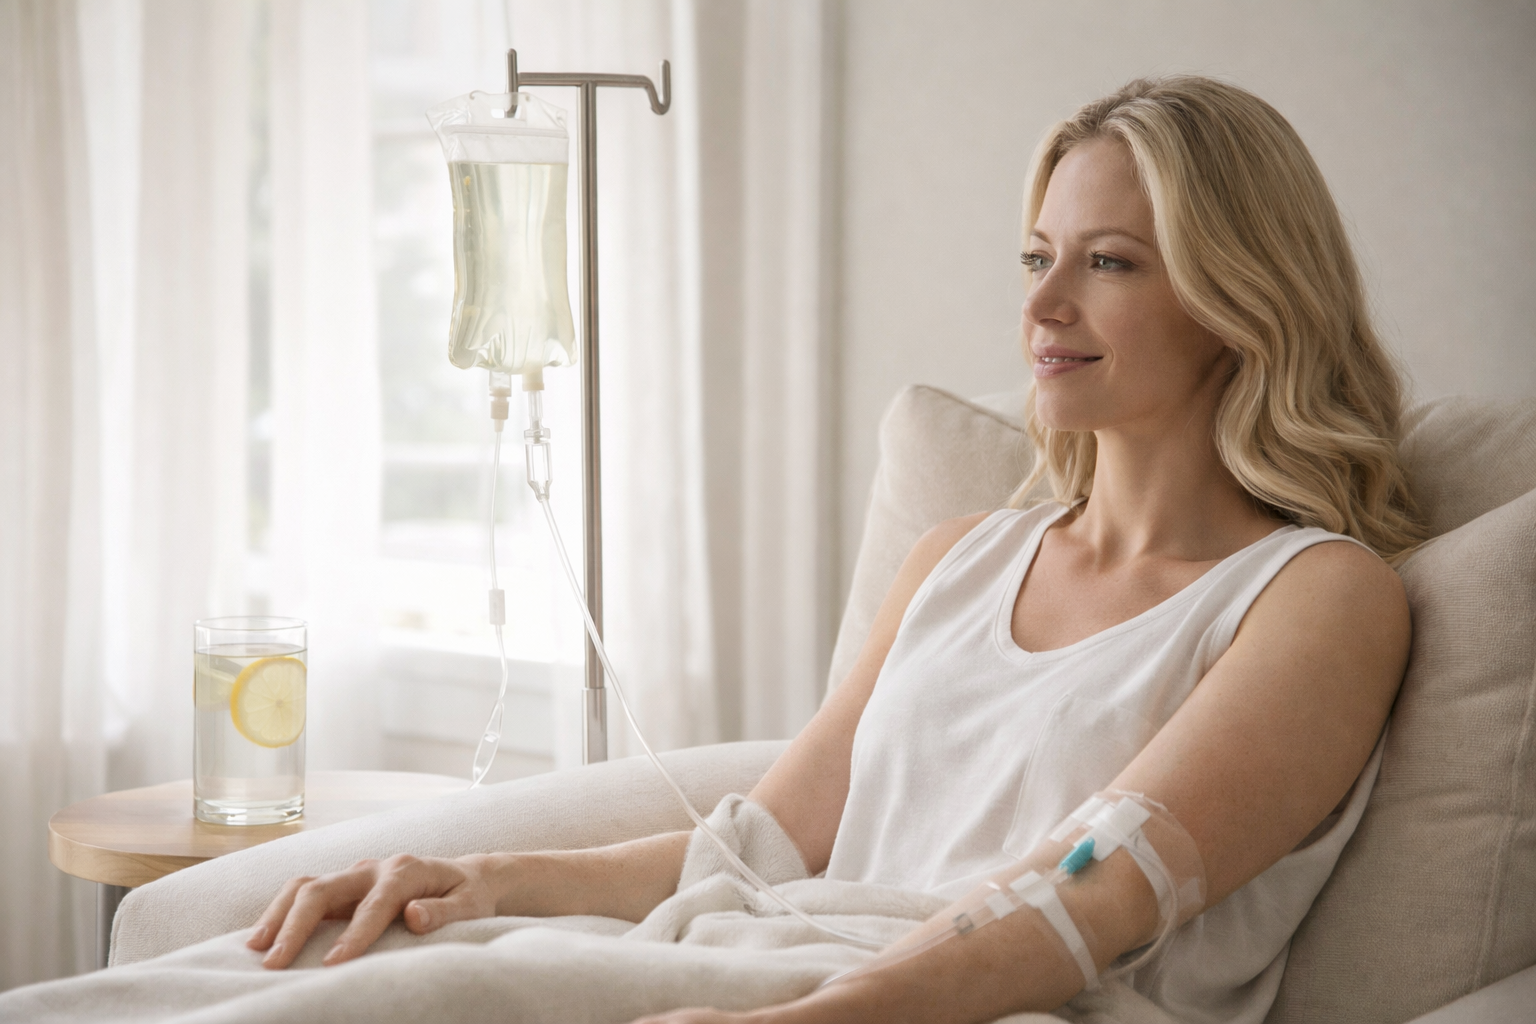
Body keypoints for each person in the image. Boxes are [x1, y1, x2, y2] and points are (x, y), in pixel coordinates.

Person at [248, 76, 1424, 1024]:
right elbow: (760, 844)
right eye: (1035, 257)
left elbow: (1093, 892)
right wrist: (489, 884)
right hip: (762, 952)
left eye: (1107, 261)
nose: (1042, 304)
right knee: (300, 978)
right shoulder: (960, 556)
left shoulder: (1317, 598)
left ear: (1240, 298)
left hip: (960, 1002)